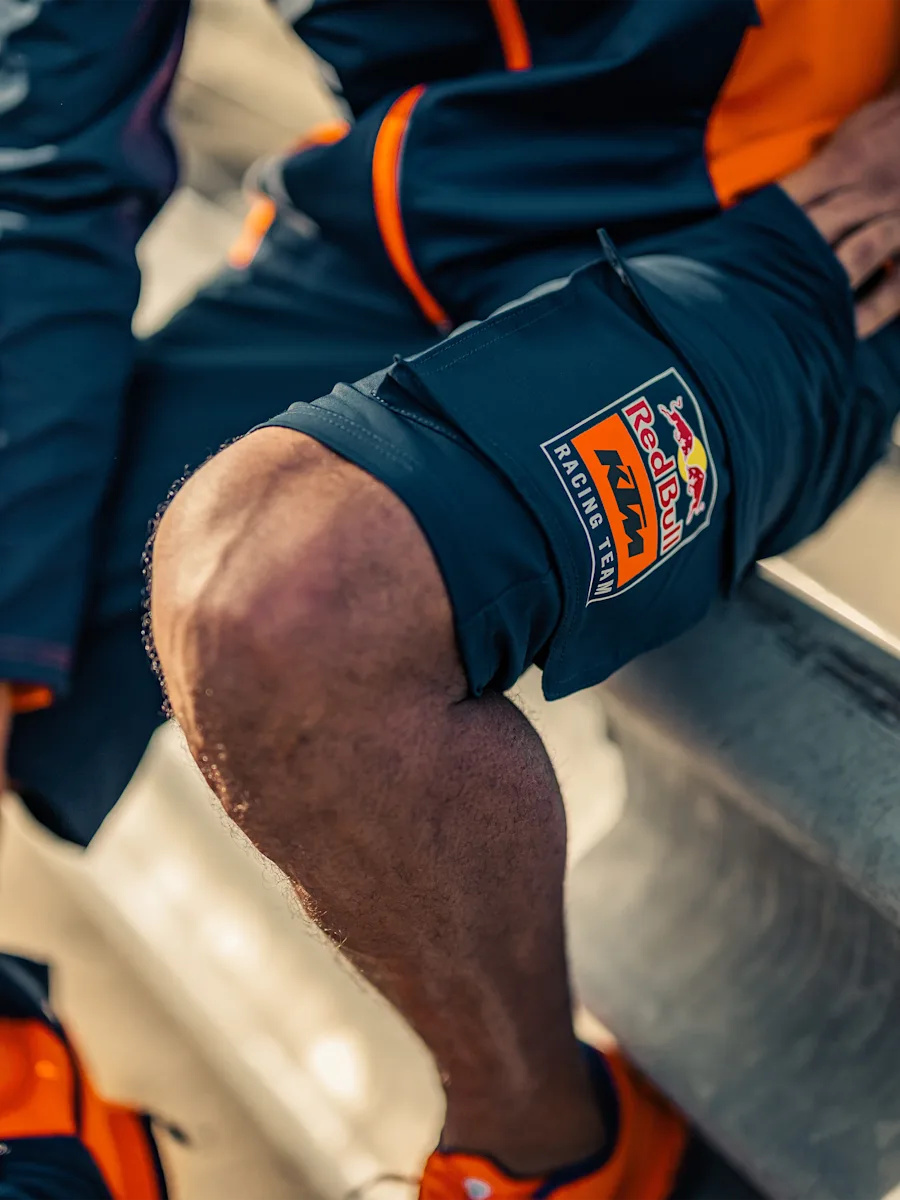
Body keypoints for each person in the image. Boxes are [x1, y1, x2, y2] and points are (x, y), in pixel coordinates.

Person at [3, 0, 900, 1196]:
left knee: (288, 600)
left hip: (771, 242)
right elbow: (44, 153)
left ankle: (558, 1157)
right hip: (409, 219)